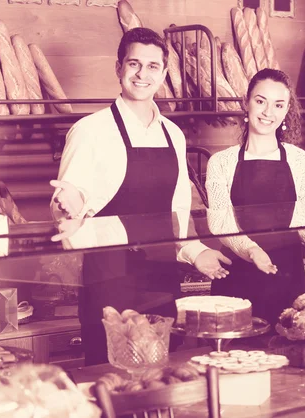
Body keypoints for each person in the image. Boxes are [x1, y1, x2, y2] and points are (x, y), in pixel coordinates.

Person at [50, 28, 231, 365]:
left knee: (160, 371)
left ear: (163, 74)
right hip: (108, 276)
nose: (142, 74)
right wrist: (67, 206)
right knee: (109, 372)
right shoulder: (90, 130)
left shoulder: (173, 134)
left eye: (151, 66)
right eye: (134, 64)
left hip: (160, 277)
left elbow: (177, 208)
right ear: (119, 67)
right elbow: (67, 196)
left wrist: (195, 251)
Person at [205, 68, 305, 325]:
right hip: (236, 279)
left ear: (285, 111)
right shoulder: (221, 162)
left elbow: (304, 225)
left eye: (278, 105)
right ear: (246, 103)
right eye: (261, 101)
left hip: (287, 280)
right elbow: (220, 225)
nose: (268, 112)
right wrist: (251, 250)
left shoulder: (299, 160)